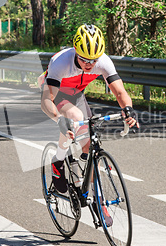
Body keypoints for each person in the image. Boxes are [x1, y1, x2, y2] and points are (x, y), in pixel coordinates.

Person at [40, 24, 138, 223]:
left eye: (93, 60)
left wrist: (128, 109)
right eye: (84, 60)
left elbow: (119, 92)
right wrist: (59, 120)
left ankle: (97, 197)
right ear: (76, 51)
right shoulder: (61, 63)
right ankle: (58, 162)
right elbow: (46, 100)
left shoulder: (103, 61)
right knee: (74, 117)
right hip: (56, 93)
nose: (89, 64)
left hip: (77, 94)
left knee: (90, 143)